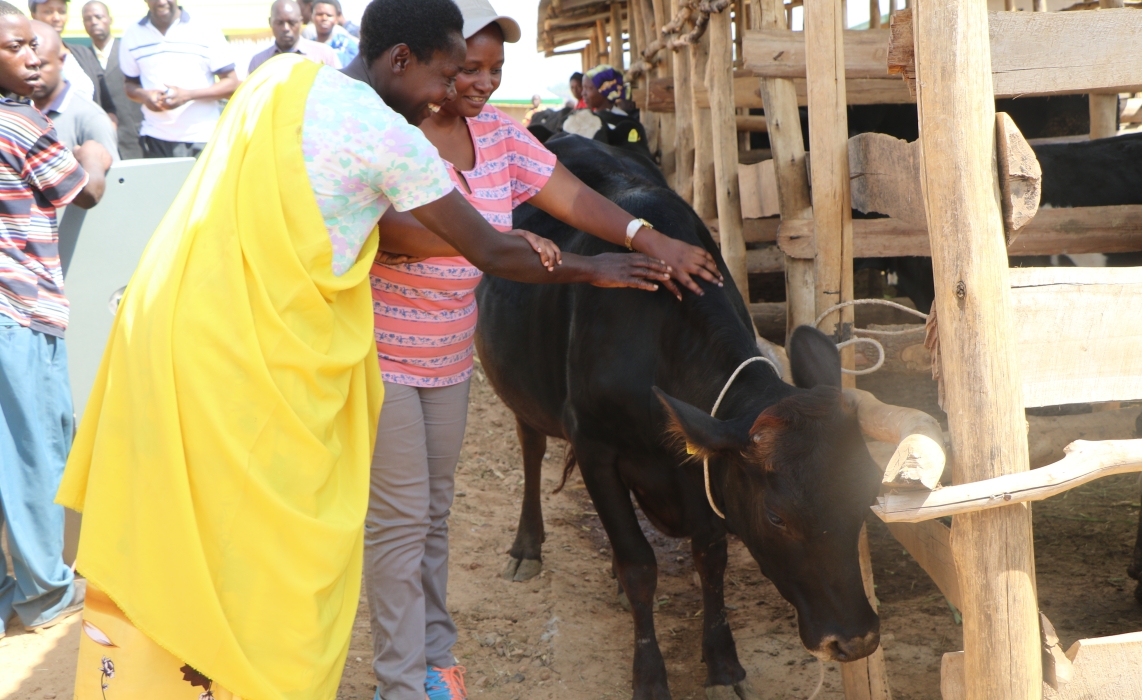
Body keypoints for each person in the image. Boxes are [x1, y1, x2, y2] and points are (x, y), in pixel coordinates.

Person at [59, 0, 673, 696]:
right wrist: (589, 265)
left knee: (192, 512)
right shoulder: (390, 139)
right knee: (293, 535)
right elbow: (481, 245)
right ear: (402, 60)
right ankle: (357, 678)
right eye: (449, 74)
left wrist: (606, 240)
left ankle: (181, 664)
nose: (453, 92)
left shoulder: (282, 83)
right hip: (268, 353)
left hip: (182, 320)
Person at [361, 2, 722, 698]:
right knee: (401, 525)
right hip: (381, 356)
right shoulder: (393, 132)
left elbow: (574, 198)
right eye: (468, 67)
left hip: (446, 355)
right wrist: (496, 243)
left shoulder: (496, 135)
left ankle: (435, 660)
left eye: (495, 69)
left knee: (433, 513)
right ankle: (399, 684)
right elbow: (389, 232)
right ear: (432, 58)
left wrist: (651, 238)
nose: (483, 83)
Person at [0, 0, 110, 642]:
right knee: (35, 450)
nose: (34, 54)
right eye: (15, 47)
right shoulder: (17, 125)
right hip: (20, 312)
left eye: (33, 45)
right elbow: (86, 189)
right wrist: (93, 151)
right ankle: (44, 592)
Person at [120, 0, 241, 158]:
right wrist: (145, 96)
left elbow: (232, 84)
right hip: (155, 139)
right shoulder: (132, 34)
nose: (162, 2)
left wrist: (188, 95)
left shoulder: (205, 28)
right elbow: (130, 85)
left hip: (203, 138)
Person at [30, 21, 120, 159]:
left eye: (42, 65)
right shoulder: (18, 112)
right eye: (28, 66)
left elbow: (115, 179)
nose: (34, 73)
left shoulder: (91, 119)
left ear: (61, 61)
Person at [71, 0, 143, 160]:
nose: (94, 22)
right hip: (99, 142)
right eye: (88, 18)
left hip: (135, 138)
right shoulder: (82, 59)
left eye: (98, 16)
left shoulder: (129, 51)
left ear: (110, 19)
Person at [248, 0, 339, 75]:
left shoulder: (324, 55)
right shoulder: (258, 62)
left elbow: (342, 90)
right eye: (279, 23)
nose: (286, 28)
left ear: (300, 22)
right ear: (270, 22)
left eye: (292, 23)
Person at [29, 0, 95, 102]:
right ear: (33, 14)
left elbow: (106, 101)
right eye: (48, 12)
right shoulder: (28, 57)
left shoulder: (83, 53)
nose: (57, 18)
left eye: (62, 12)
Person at [311, 0, 359, 68]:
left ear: (337, 18)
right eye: (319, 14)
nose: (324, 18)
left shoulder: (346, 46)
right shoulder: (306, 46)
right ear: (312, 16)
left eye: (329, 15)